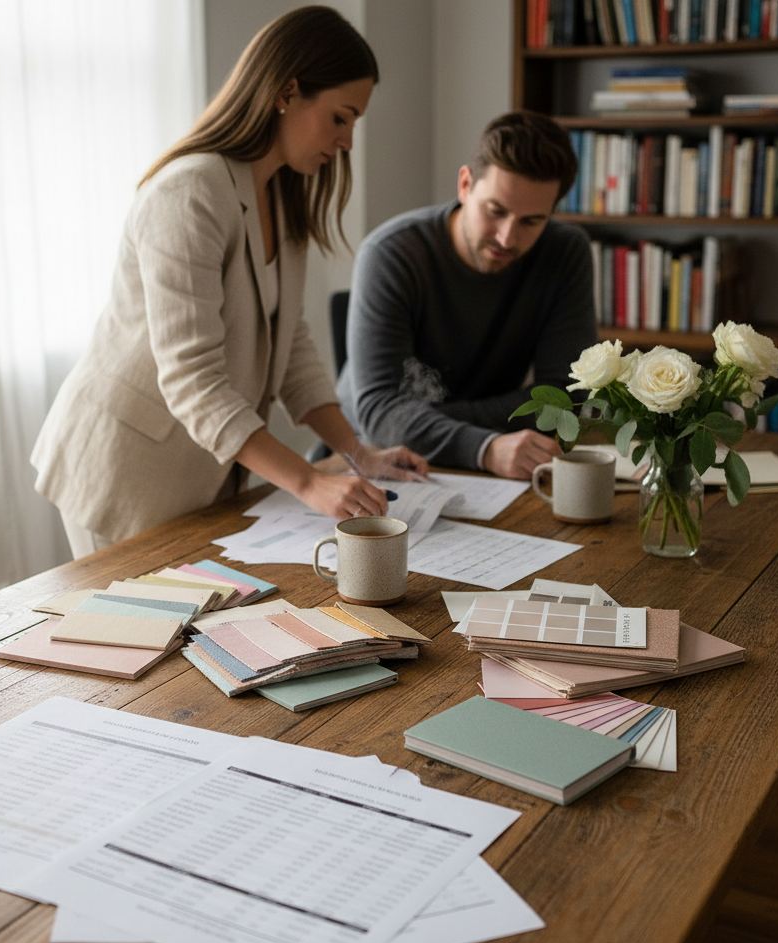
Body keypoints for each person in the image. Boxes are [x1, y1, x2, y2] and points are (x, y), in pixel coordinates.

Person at [30, 6, 428, 558]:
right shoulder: (189, 193)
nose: (347, 142)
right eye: (341, 117)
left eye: (354, 123)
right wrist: (310, 481)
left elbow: (291, 345)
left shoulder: (282, 196)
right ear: (287, 91)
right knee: (140, 641)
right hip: (125, 471)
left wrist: (359, 453)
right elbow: (192, 379)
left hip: (205, 474)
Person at [335, 110, 597, 480]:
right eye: (496, 211)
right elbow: (378, 415)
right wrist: (482, 446)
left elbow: (563, 398)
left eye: (531, 221)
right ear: (464, 184)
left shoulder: (565, 253)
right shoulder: (392, 253)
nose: (507, 237)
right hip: (368, 460)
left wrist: (418, 422)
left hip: (482, 465)